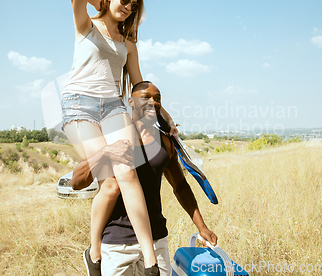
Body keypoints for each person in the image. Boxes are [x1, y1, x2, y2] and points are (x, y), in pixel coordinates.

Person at [61, 0, 177, 276]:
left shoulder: (128, 44)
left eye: (133, 5)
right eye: (124, 0)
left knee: (129, 176)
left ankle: (151, 261)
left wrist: (163, 113)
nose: (128, 7)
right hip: (79, 105)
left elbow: (138, 83)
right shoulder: (86, 25)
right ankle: (94, 253)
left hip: (113, 105)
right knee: (110, 186)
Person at [71, 81, 217, 276]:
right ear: (131, 101)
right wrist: (105, 152)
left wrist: (202, 226)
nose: (153, 102)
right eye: (146, 97)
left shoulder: (165, 141)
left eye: (157, 99)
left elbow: (180, 186)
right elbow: (76, 182)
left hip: (156, 239)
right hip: (117, 242)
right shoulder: (113, 137)